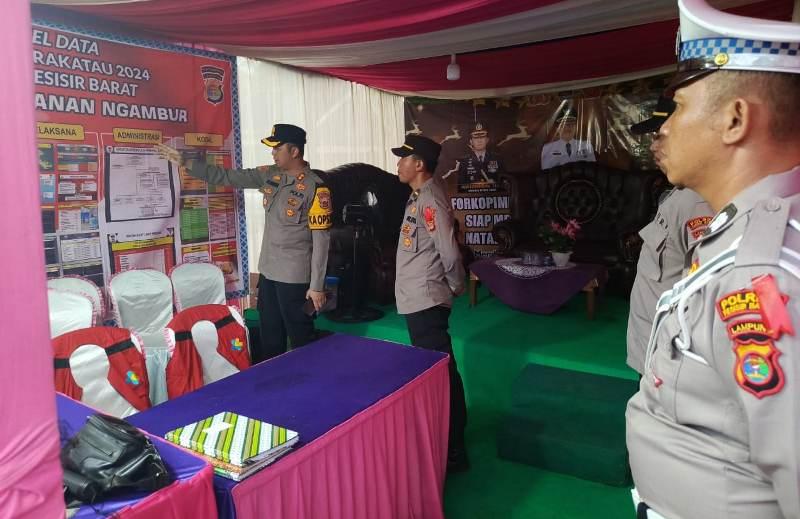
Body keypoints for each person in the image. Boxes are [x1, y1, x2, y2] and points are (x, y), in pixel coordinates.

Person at [626, 1, 800, 517]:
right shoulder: (743, 234)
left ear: (734, 119)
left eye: (679, 107)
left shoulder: (763, 275)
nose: (664, 128)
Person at [155, 124, 332, 362]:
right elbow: (227, 176)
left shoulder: (316, 188)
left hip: (294, 276)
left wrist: (317, 286)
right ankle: (272, 379)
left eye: (277, 148)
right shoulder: (270, 174)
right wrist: (186, 162)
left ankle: (312, 379)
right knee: (270, 337)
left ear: (294, 151)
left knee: (301, 338)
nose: (273, 153)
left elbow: (321, 241)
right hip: (269, 271)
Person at [392, 134, 469, 472]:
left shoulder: (430, 199)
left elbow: (449, 252)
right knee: (432, 372)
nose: (398, 163)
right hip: (416, 298)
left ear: (419, 164)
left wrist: (456, 285)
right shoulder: (417, 196)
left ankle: (454, 448)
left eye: (404, 158)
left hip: (426, 299)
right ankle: (442, 438)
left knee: (441, 374)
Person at [626, 95, 713, 375]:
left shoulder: (698, 203)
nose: (653, 146)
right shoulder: (683, 193)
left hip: (668, 360)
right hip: (653, 348)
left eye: (662, 136)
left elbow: (704, 298)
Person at [456, 122, 504, 189]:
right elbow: (460, 186)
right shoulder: (464, 162)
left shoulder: (497, 159)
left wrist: (495, 184)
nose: (479, 141)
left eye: (482, 137)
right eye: (476, 138)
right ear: (471, 141)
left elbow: (505, 183)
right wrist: (479, 185)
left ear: (487, 140)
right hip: (471, 195)